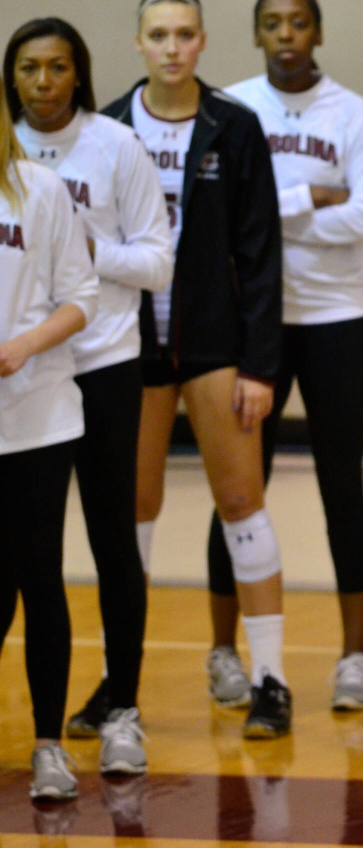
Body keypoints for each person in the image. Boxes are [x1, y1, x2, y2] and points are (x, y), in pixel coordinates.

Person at [101, 0, 291, 738]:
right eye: (159, 35)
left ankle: (271, 680)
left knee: (242, 501)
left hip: (215, 346)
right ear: (139, 43)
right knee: (132, 513)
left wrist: (260, 366)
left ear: (202, 42)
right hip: (130, 348)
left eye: (184, 35)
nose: (172, 48)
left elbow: (261, 252)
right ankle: (119, 687)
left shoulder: (233, 126)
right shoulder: (109, 128)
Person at [6, 18, 173, 770]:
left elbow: (157, 264)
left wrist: (76, 249)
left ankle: (122, 710)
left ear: (80, 74)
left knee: (113, 541)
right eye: (29, 68)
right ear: (11, 78)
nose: (43, 82)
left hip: (102, 363)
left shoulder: (116, 145)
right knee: (25, 559)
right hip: (25, 380)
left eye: (58, 67)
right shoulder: (6, 151)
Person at [216, 0, 363, 712]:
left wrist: (268, 213)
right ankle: (223, 653)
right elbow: (223, 217)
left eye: (298, 23)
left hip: (338, 320)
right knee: (237, 488)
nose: (286, 36)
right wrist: (312, 194)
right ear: (257, 32)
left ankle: (354, 656)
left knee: (341, 486)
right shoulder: (231, 109)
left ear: (317, 31)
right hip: (253, 326)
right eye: (273, 23)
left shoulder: (352, 113)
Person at [0, 86, 99, 800]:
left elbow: (82, 297)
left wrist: (22, 346)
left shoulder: (38, 188)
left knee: (39, 578)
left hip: (37, 418)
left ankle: (48, 745)